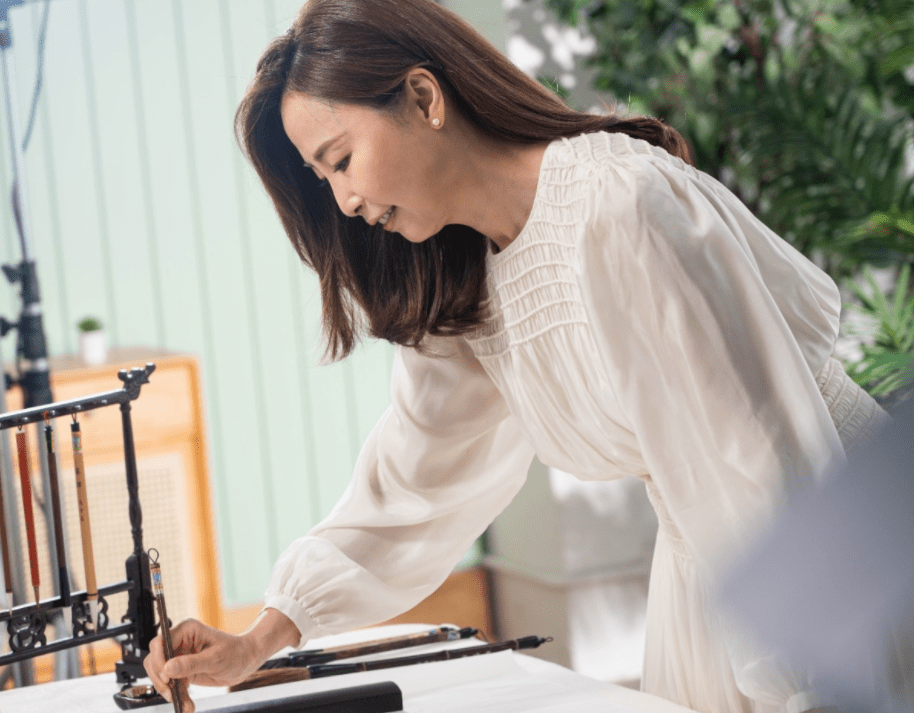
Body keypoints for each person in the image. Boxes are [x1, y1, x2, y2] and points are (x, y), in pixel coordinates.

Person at [143, 1, 889, 711]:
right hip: (718, 572)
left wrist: (814, 677)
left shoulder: (619, 204)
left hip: (831, 544)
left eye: (341, 160)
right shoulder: (463, 278)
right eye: (323, 178)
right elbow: (413, 482)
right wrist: (261, 639)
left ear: (423, 98)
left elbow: (751, 456)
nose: (343, 202)